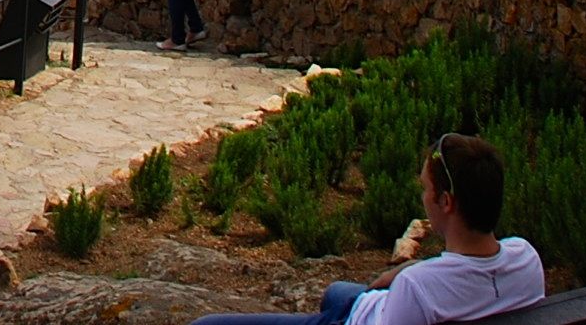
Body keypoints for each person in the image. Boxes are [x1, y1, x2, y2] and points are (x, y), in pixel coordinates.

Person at [190, 134, 545, 325]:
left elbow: (429, 288)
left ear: (446, 202)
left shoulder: (418, 288)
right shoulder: (526, 258)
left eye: (425, 189)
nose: (422, 197)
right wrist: (412, 268)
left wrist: (409, 275)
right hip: (384, 302)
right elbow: (468, 275)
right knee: (337, 292)